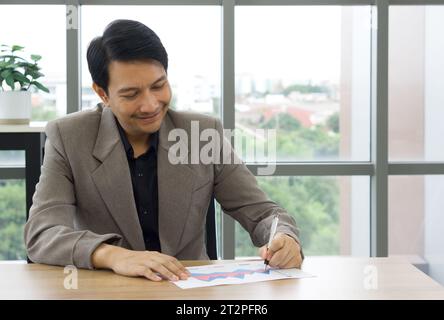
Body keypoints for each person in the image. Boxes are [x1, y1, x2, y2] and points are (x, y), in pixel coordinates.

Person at [24, 19, 303, 282]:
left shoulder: (202, 133)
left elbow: (263, 213)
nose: (150, 104)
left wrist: (285, 238)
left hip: (189, 292)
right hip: (110, 290)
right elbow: (42, 234)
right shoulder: (69, 136)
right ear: (102, 94)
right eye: (131, 94)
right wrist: (113, 255)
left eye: (158, 86)